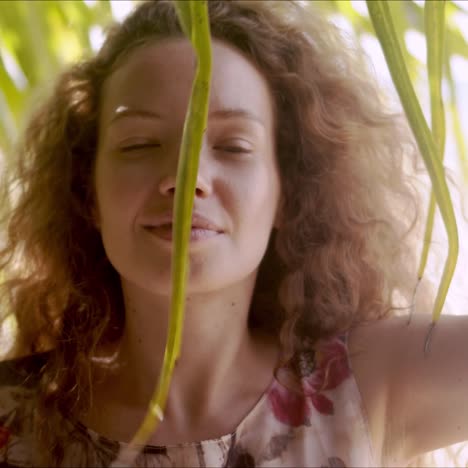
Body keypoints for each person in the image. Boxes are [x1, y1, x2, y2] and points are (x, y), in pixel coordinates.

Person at [0, 0, 466, 466]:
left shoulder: (366, 385)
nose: (186, 178)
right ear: (88, 194)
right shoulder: (12, 416)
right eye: (140, 144)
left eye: (233, 145)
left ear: (288, 192)